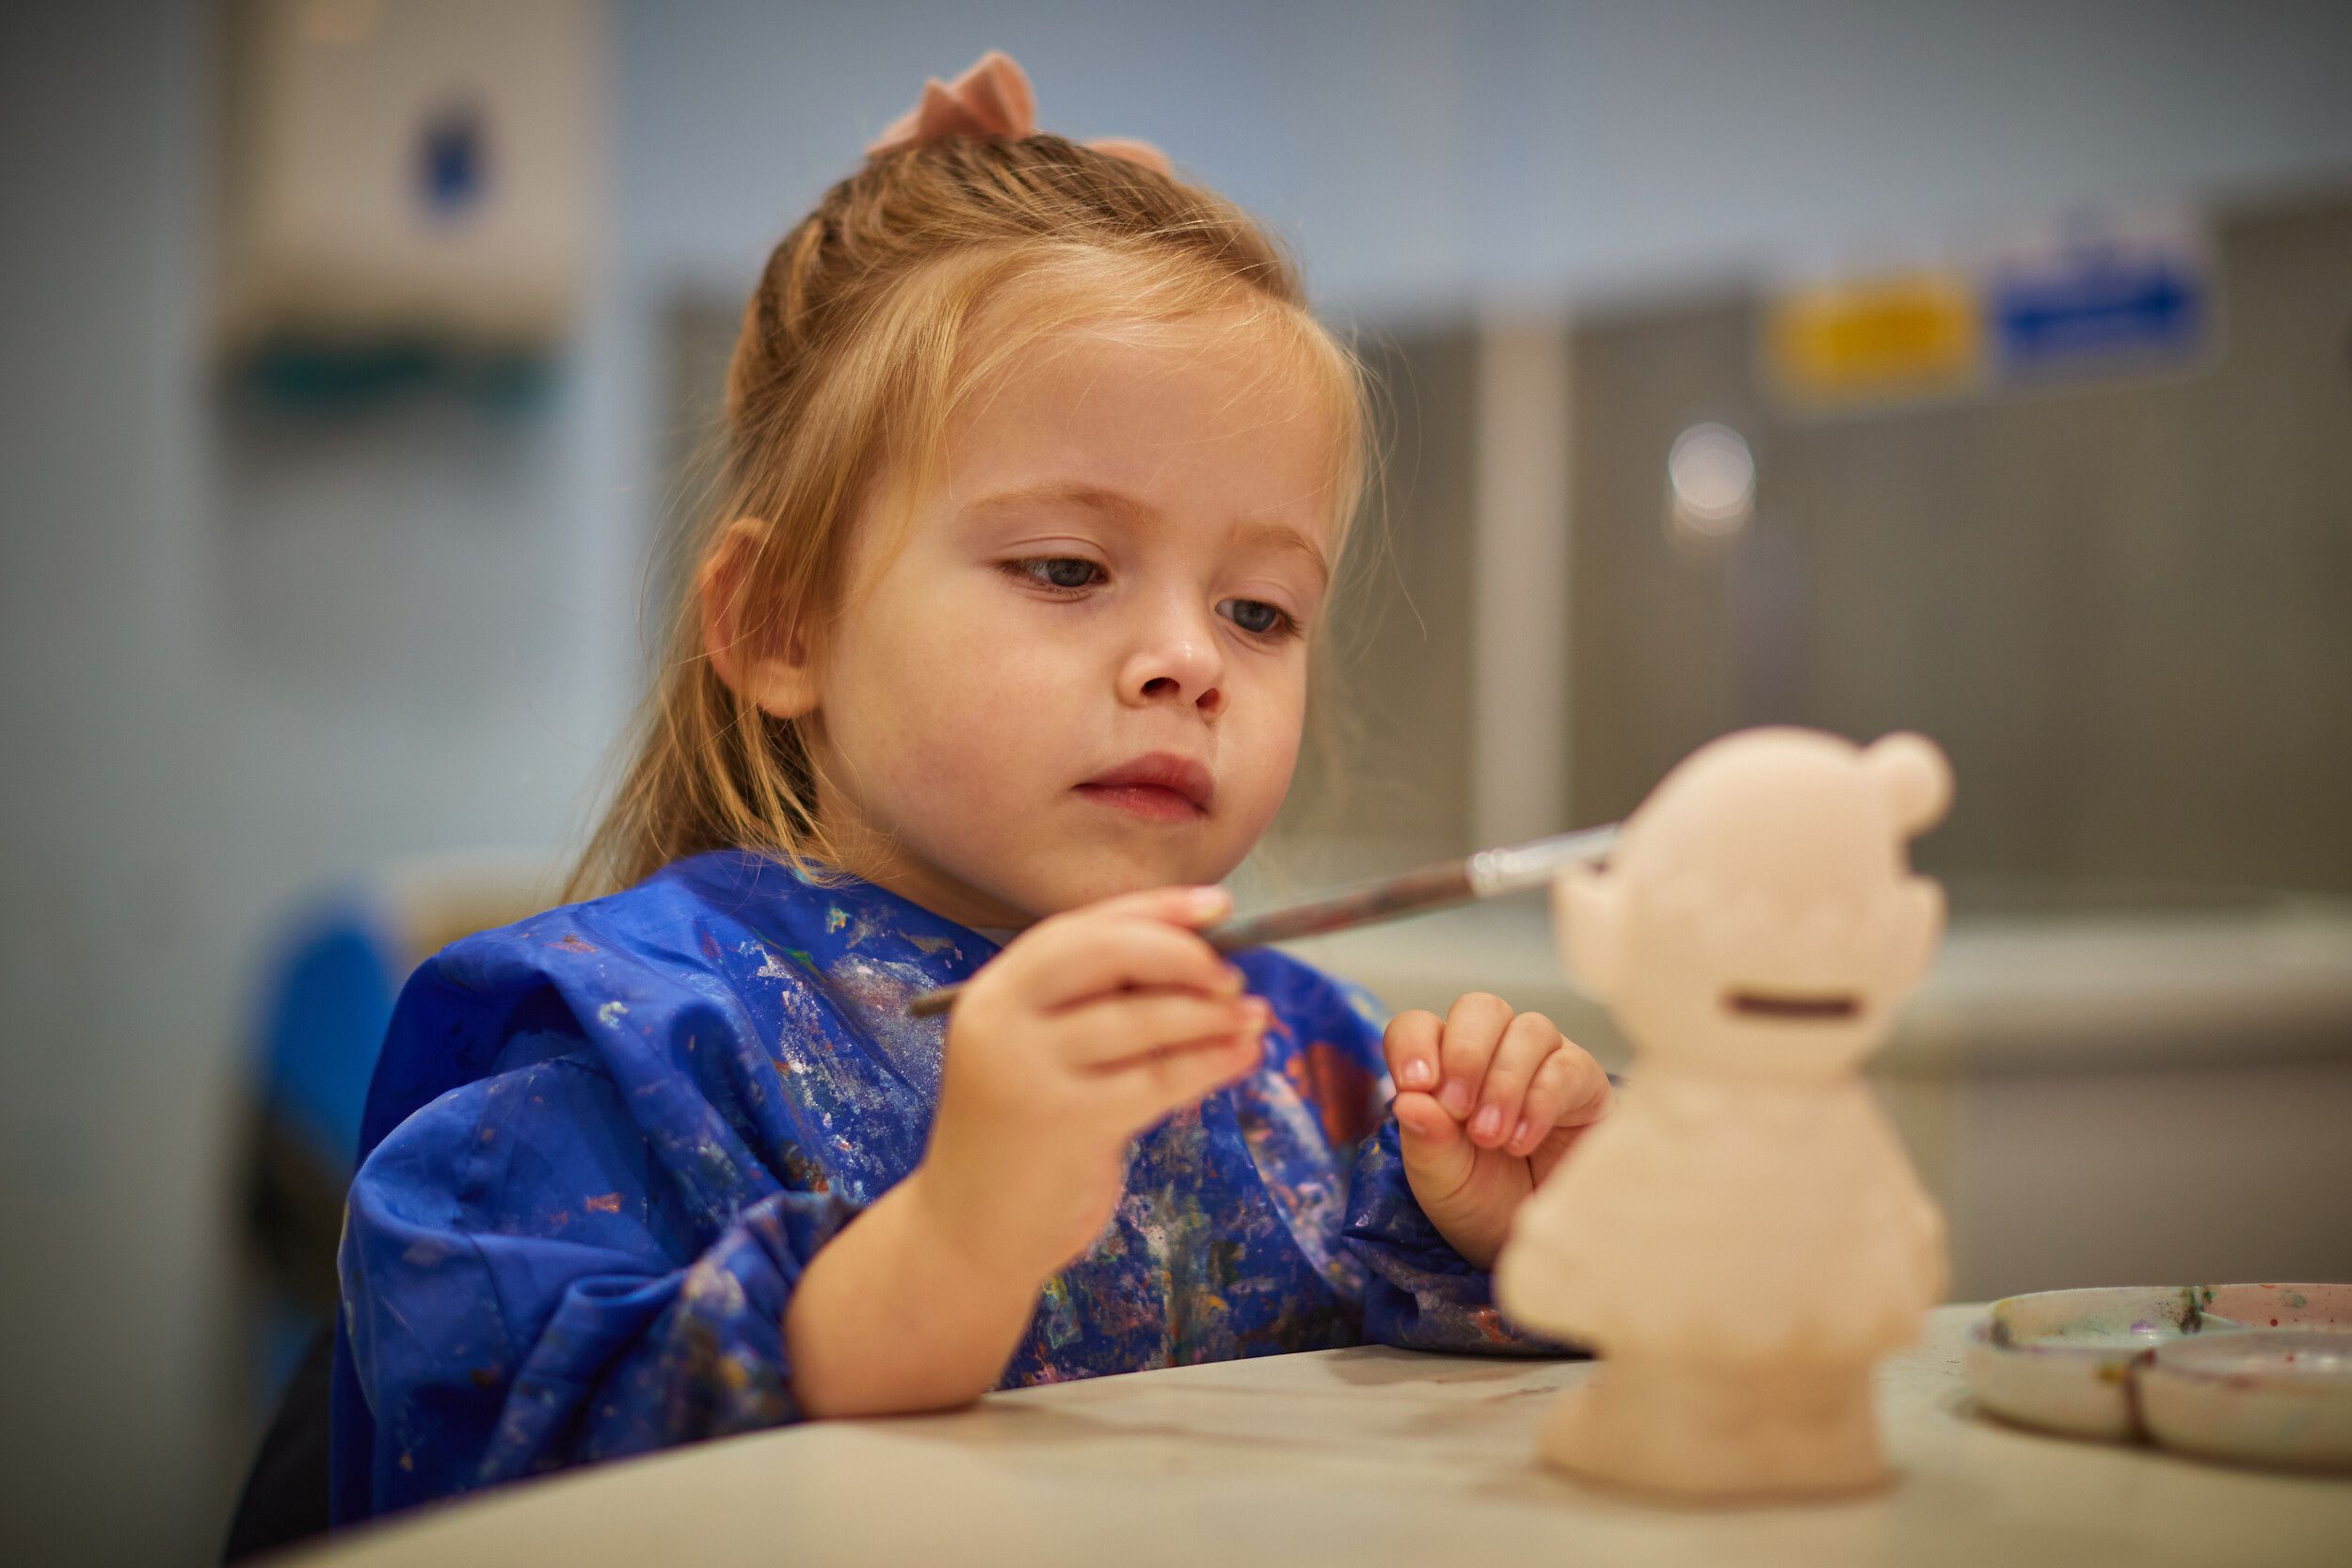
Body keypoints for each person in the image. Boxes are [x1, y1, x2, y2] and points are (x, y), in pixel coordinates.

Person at [332, 49, 1612, 1525]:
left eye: (1261, 610)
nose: (1191, 661)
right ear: (782, 621)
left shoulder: (1309, 1064)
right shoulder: (615, 1055)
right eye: (1068, 568)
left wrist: (1524, 1235)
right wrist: (949, 1246)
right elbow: (514, 1475)